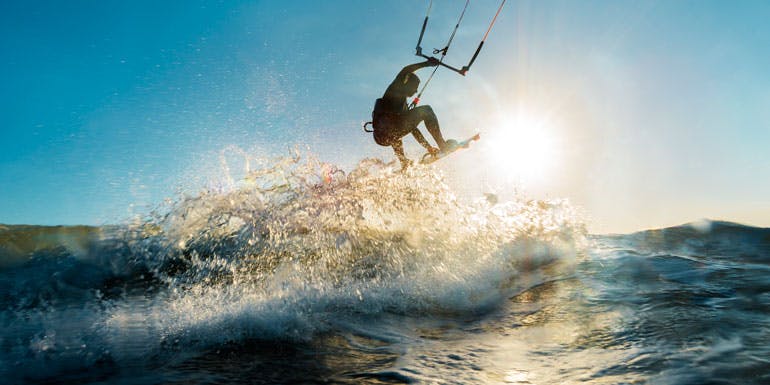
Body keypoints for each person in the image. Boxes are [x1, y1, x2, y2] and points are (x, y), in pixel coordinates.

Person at [371, 58, 453, 170]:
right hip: (385, 131)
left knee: (396, 135)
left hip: (384, 136)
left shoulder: (403, 105)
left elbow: (413, 129)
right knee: (427, 110)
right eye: (415, 87)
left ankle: (404, 162)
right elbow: (406, 70)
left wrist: (428, 147)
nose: (415, 91)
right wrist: (427, 63)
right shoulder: (395, 88)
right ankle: (442, 145)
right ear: (406, 83)